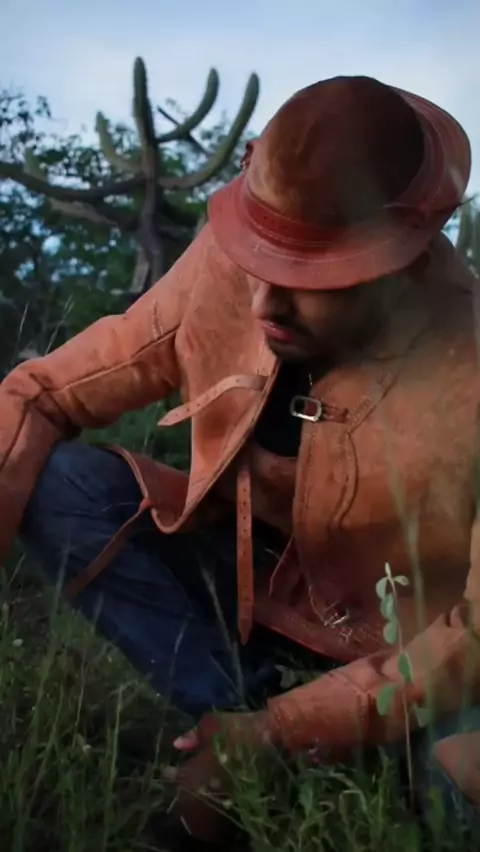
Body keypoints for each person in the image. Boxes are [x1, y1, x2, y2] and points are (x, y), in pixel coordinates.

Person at [1, 74, 479, 846]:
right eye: (262, 258)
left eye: (312, 275)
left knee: (460, 793)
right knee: (61, 486)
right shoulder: (230, 265)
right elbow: (45, 392)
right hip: (248, 589)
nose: (264, 304)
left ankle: (302, 749)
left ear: (404, 261)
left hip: (408, 644)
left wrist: (289, 729)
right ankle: (227, 714)